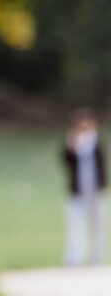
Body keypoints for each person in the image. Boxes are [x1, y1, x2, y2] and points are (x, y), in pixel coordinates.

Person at [61, 107, 107, 266]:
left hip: (95, 190)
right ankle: (75, 256)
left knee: (97, 224)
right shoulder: (73, 142)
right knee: (75, 224)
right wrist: (72, 143)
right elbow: (65, 160)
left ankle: (97, 256)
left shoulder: (96, 141)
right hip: (78, 190)